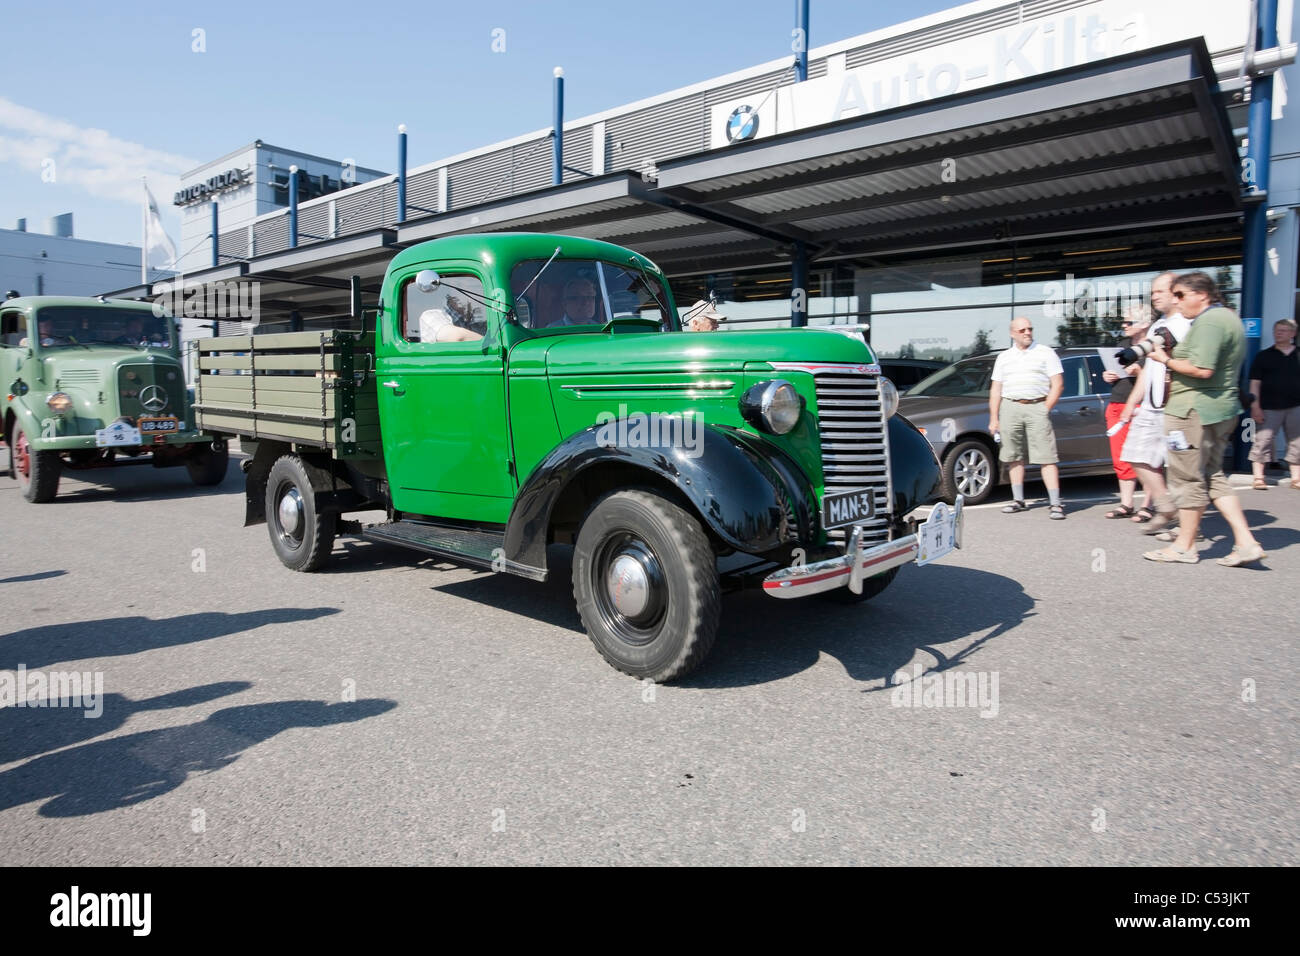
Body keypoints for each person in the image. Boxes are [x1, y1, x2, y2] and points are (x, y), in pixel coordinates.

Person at [1143, 271, 1266, 566]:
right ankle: (1246, 542)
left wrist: (1165, 360)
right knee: (1213, 477)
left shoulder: (1211, 321)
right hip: (1216, 409)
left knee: (1186, 478)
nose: (1177, 301)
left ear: (1202, 294)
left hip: (1193, 412)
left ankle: (1184, 546)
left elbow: (1202, 368)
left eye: (1181, 295)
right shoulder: (1228, 318)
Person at [1118, 272, 1190, 531]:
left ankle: (1190, 526)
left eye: (1159, 291)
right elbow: (1148, 369)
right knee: (1134, 455)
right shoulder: (1157, 325)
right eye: (1152, 292)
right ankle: (1166, 505)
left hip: (1176, 407)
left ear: (1175, 293)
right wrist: (1131, 403)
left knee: (1180, 468)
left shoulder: (1186, 324)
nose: (1154, 296)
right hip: (1151, 406)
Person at [988, 316, 1066, 518]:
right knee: (1013, 456)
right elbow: (996, 388)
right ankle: (1018, 500)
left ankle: (1056, 503)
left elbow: (1057, 384)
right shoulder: (1004, 357)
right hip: (1010, 407)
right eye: (1022, 330)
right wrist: (994, 418)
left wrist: (1045, 408)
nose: (1027, 333)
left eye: (1029, 329)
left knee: (1046, 456)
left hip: (1036, 405)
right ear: (1012, 333)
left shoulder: (1045, 353)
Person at [1101, 304, 1148, 519]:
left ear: (1144, 324)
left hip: (1143, 405)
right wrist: (1108, 376)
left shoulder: (1153, 347)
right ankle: (1126, 504)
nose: (1124, 325)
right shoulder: (1122, 345)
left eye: (1129, 322)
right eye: (1124, 322)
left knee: (1146, 457)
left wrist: (1139, 371)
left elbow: (1160, 381)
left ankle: (1148, 505)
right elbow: (1115, 371)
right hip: (1117, 403)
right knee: (1121, 457)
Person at [1247, 317, 1300, 490]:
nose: (1278, 333)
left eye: (1283, 330)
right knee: (1263, 440)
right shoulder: (1263, 356)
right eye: (1276, 330)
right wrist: (1255, 406)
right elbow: (1255, 383)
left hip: (1295, 406)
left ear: (1293, 333)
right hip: (1269, 406)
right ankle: (1258, 477)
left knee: (1297, 442)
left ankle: (1296, 479)